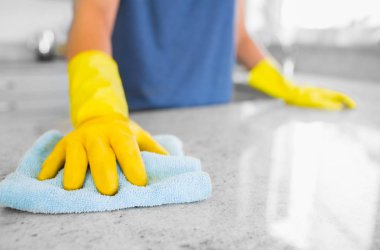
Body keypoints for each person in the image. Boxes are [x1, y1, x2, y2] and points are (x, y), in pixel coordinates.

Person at [37, 0, 356, 195]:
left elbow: (238, 35)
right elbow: (93, 14)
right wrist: (100, 109)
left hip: (216, 113)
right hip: (135, 123)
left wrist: (285, 86)